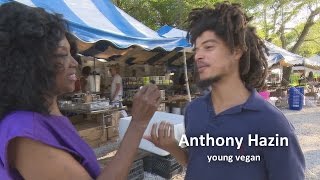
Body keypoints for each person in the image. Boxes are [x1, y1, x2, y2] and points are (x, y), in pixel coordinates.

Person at [0, 2, 161, 180]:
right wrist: (138, 123)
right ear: (28, 63)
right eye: (62, 54)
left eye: (71, 53)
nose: (75, 63)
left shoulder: (47, 117)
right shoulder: (25, 131)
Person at [148, 2, 305, 180]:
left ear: (236, 51)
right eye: (197, 49)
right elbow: (199, 163)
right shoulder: (194, 110)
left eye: (208, 47)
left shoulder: (273, 124)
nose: (198, 55)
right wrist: (172, 147)